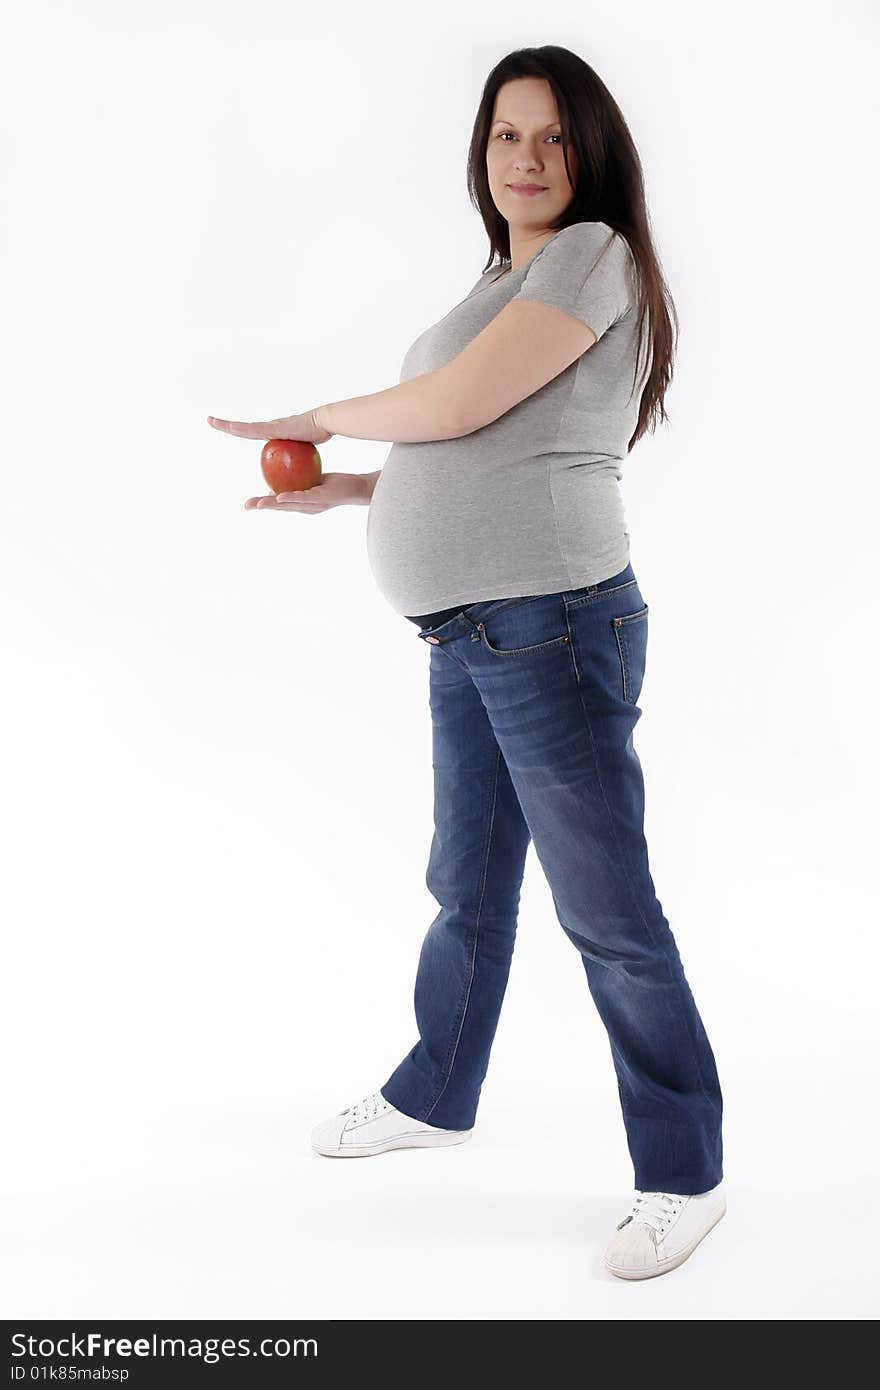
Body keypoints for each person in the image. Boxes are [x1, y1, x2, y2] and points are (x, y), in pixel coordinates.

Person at [207, 46, 725, 1282]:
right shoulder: (506, 274)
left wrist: (322, 413)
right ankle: (436, 1092)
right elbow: (475, 442)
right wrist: (350, 493)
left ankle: (684, 1171)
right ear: (480, 152)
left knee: (607, 912)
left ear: (590, 151)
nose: (528, 159)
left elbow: (452, 403)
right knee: (467, 882)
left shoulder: (592, 255)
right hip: (470, 628)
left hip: (553, 626)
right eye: (506, 135)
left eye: (551, 137)